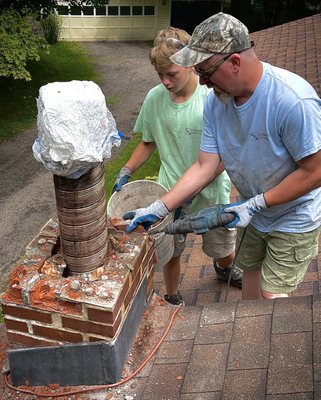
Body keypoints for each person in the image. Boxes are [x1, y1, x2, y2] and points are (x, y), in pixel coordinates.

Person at [123, 13, 321, 300]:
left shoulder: (292, 101)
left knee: (270, 299)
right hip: (253, 214)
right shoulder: (218, 103)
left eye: (205, 71)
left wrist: (256, 203)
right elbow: (206, 165)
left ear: (235, 63)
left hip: (292, 216)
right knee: (250, 291)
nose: (202, 82)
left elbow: (315, 171)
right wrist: (160, 206)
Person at [112, 26, 240, 305]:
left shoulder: (212, 99)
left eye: (172, 74)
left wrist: (195, 187)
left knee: (221, 244)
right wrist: (126, 170)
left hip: (211, 192)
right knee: (171, 250)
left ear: (191, 65)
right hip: (169, 193)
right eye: (160, 75)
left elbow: (224, 154)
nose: (165, 82)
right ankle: (172, 295)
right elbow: (148, 142)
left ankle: (225, 266)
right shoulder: (154, 99)